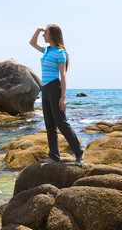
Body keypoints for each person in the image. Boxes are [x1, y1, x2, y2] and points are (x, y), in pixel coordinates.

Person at [29, 24, 84, 165]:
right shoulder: (47, 50)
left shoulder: (60, 52)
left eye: (45, 33)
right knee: (49, 124)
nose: (43, 35)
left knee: (61, 123)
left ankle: (79, 153)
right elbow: (32, 43)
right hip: (45, 89)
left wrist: (63, 97)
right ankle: (54, 155)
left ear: (52, 35)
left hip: (55, 88)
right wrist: (38, 30)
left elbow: (63, 75)